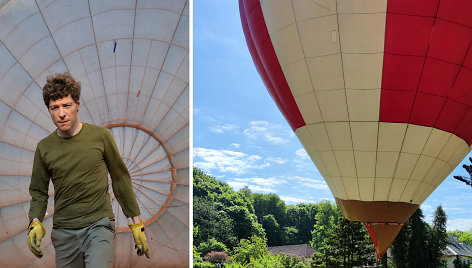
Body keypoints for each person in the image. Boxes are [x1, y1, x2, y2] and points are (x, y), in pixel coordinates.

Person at [27, 72, 150, 267]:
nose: (61, 113)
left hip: (99, 225)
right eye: (54, 108)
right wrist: (35, 222)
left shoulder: (101, 136)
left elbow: (120, 178)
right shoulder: (44, 147)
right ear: (49, 110)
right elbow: (38, 192)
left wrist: (135, 222)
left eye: (66, 105)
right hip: (63, 231)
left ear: (77, 104)